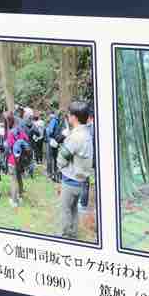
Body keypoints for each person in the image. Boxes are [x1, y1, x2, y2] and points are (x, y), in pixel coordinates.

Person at [57, 100, 94, 239]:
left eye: (70, 114)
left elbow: (62, 158)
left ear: (74, 117)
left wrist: (61, 166)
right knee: (73, 209)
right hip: (81, 180)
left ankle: (66, 235)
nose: (68, 116)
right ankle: (74, 233)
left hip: (71, 181)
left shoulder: (75, 137)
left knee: (65, 209)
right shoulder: (87, 134)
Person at [4, 114, 28, 208]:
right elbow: (26, 139)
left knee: (13, 180)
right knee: (19, 177)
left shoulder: (10, 133)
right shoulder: (20, 131)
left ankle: (14, 201)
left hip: (12, 160)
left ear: (9, 122)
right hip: (20, 160)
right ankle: (20, 196)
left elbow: (8, 147)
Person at [44, 110, 63, 181]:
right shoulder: (56, 121)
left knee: (52, 158)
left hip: (53, 141)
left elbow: (50, 131)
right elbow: (53, 131)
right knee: (53, 158)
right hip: (54, 141)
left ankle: (52, 174)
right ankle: (52, 174)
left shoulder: (55, 121)